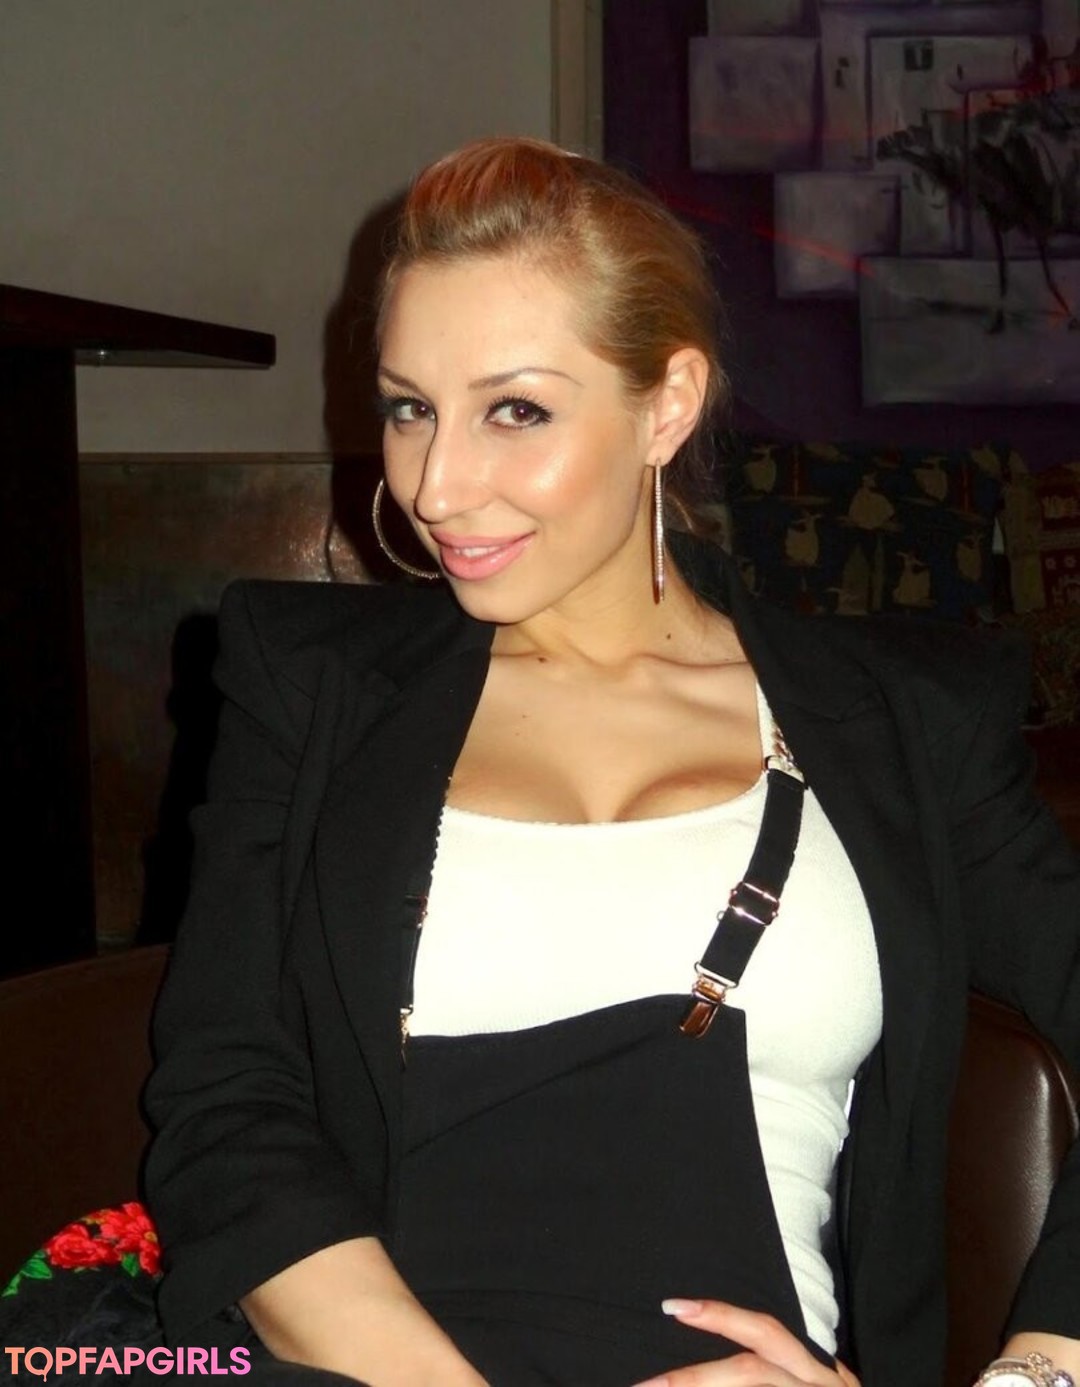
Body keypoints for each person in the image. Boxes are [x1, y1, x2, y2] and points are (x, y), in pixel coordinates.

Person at [143, 137, 1080, 1387]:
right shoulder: (307, 686)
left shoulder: (902, 719)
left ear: (668, 404)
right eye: (410, 407)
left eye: (515, 410)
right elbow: (225, 1102)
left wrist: (1034, 1374)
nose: (437, 485)